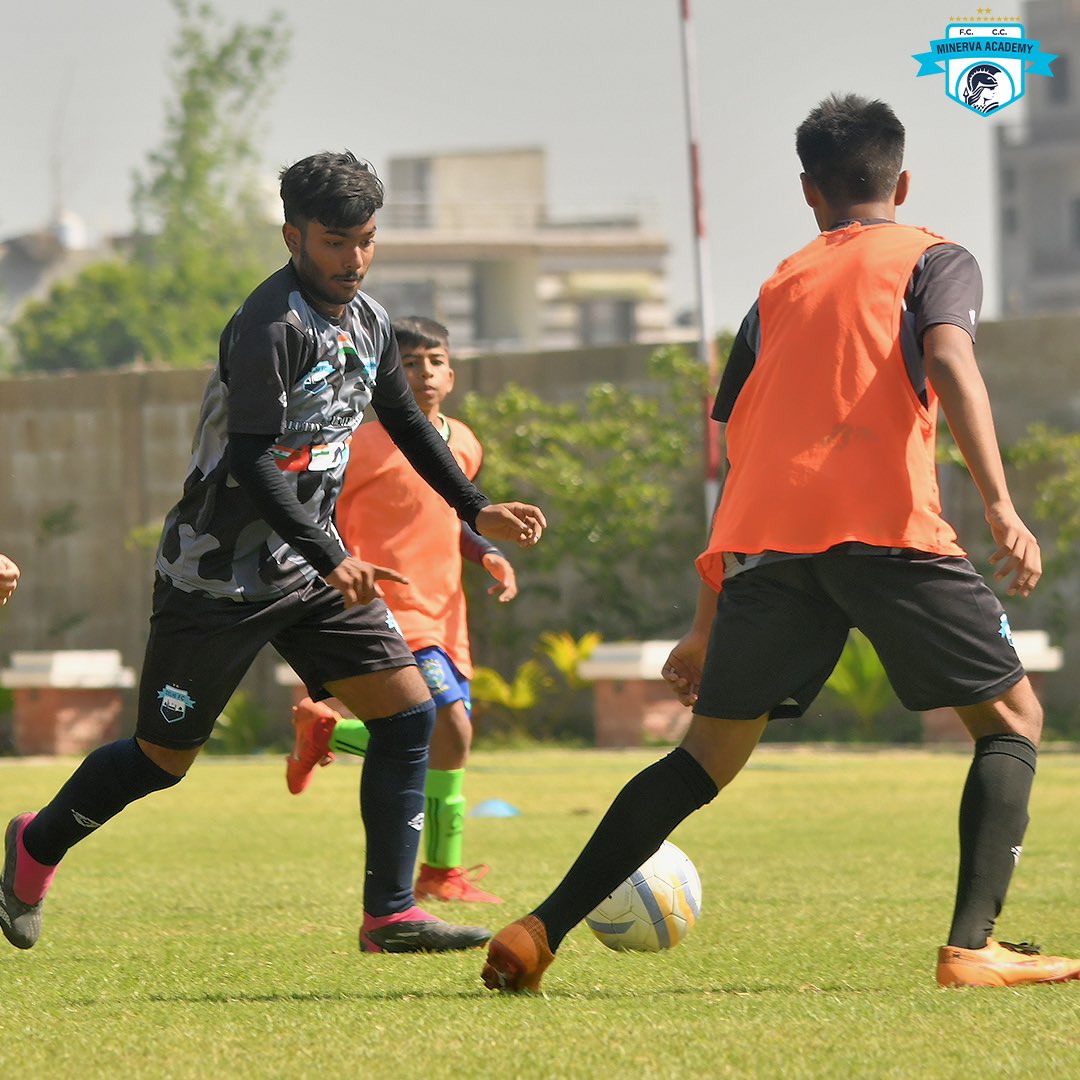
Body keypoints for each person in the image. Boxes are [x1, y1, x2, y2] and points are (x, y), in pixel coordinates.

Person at [481, 94, 1080, 993]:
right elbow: (952, 361)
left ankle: (538, 929)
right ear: (903, 179)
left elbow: (738, 450)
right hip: (888, 533)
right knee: (1015, 720)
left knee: (703, 759)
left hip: (767, 551)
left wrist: (703, 619)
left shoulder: (775, 290)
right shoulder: (934, 258)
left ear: (809, 191)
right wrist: (1000, 504)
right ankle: (973, 947)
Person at [0, 150, 546, 957]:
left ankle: (389, 914)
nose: (353, 259)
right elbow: (253, 464)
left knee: (409, 717)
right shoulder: (269, 326)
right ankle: (32, 847)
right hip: (215, 577)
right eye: (335, 243)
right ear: (293, 236)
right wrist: (333, 554)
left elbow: (405, 422)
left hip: (310, 570)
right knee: (161, 759)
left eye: (365, 240)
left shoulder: (368, 322)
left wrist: (475, 507)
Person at [286, 316, 516, 905]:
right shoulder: (358, 445)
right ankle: (433, 870)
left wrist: (488, 553)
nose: (424, 373)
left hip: (447, 612)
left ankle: (440, 871)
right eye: (409, 363)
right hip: (389, 607)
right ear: (383, 373)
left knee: (450, 739)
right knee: (448, 726)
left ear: (453, 371)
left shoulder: (463, 442)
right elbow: (314, 516)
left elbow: (457, 517)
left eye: (434, 361)